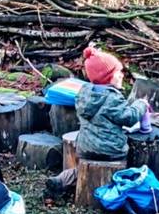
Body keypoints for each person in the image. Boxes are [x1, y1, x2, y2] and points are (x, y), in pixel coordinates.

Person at [45, 46, 147, 198]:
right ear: (108, 77)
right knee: (126, 163)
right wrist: (141, 104)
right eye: (118, 72)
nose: (121, 75)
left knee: (81, 169)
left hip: (86, 148)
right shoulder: (112, 98)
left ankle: (61, 180)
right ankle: (118, 191)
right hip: (111, 150)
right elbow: (130, 118)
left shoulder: (84, 93)